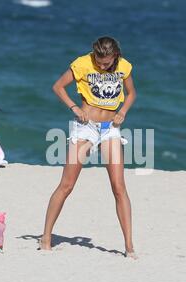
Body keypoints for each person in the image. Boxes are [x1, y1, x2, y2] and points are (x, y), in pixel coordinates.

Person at [40, 36, 137, 258]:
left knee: (119, 187)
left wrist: (123, 111)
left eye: (107, 63)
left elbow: (132, 93)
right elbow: (58, 87)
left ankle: (129, 246)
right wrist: (74, 106)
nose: (103, 67)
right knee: (67, 185)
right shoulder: (83, 63)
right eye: (100, 63)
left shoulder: (123, 66)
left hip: (111, 128)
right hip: (85, 127)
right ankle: (46, 237)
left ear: (116, 56)